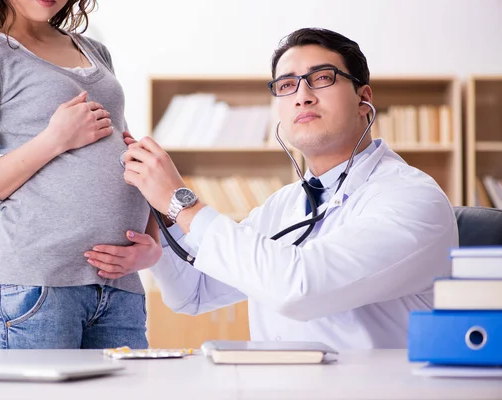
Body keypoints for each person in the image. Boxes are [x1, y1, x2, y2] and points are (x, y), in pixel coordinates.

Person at [85, 28, 459, 350]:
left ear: (364, 99)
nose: (302, 95)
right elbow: (194, 292)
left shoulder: (412, 198)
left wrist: (181, 203)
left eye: (322, 78)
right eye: (286, 85)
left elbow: (299, 288)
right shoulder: (286, 205)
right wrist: (157, 213)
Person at [0, 0, 160, 349]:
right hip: (38, 290)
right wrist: (53, 140)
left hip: (120, 288)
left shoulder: (94, 51)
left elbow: (130, 161)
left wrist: (151, 245)